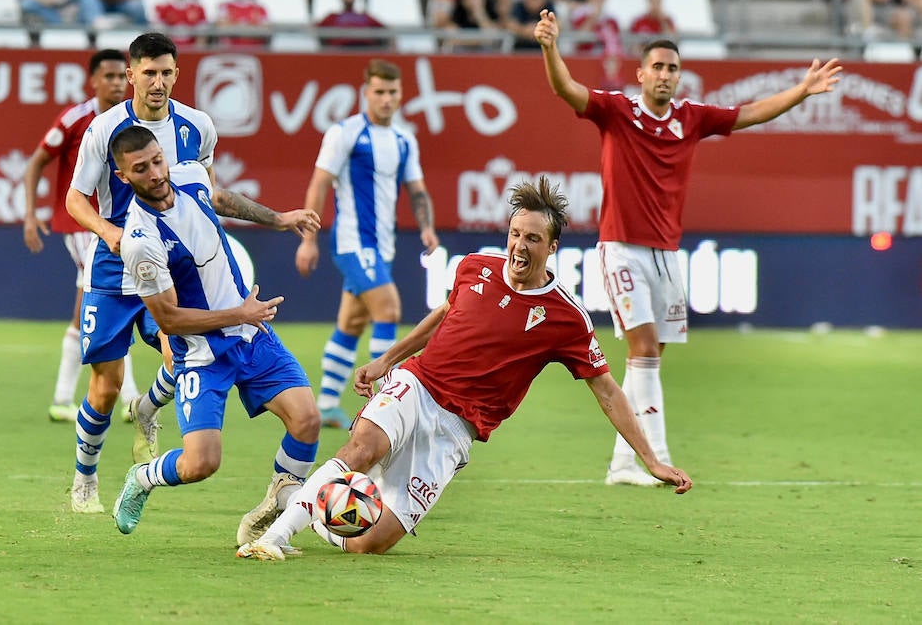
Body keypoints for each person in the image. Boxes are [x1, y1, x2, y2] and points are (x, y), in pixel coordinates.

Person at [237, 177, 693, 560]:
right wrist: (386, 360)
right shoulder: (476, 266)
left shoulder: (566, 317)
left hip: (456, 430)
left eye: (533, 239)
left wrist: (651, 459)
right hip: (417, 384)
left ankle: (300, 502)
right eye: (515, 234)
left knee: (369, 543)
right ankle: (275, 538)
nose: (519, 245)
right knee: (362, 447)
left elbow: (609, 391)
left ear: (551, 247)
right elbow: (444, 314)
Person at [534, 12, 842, 487]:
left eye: (671, 68)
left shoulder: (691, 118)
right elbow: (566, 90)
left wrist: (801, 90)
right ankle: (658, 461)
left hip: (666, 256)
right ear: (641, 74)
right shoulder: (617, 110)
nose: (664, 75)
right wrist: (550, 48)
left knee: (651, 353)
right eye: (656, 67)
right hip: (621, 249)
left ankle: (622, 463)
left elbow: (750, 114)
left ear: (679, 76)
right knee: (642, 349)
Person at [64, 32, 319, 514]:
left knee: (174, 345)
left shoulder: (196, 128)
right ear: (131, 74)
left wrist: (278, 217)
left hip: (175, 266)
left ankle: (149, 409)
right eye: (148, 73)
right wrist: (109, 233)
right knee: (106, 386)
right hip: (118, 265)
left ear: (176, 74)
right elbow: (75, 199)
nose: (157, 83)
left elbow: (213, 195)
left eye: (166, 73)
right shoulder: (104, 130)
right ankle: (85, 477)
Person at [109, 127, 321, 543]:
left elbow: (220, 198)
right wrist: (237, 312)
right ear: (123, 177)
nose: (155, 173)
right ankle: (144, 476)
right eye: (141, 169)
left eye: (156, 160)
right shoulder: (140, 242)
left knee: (308, 420)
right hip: (202, 355)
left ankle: (275, 502)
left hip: (250, 333)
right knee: (201, 463)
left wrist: (278, 218)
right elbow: (168, 319)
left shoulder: (188, 175)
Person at [295, 59, 438, 429]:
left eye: (392, 92)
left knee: (352, 321)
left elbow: (417, 191)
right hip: (353, 243)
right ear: (366, 93)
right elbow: (319, 184)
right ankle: (386, 403)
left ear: (401, 94)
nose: (386, 99)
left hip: (383, 248)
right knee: (388, 310)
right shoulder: (345, 133)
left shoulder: (405, 140)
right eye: (379, 92)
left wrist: (427, 227)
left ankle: (326, 404)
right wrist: (308, 240)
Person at [22, 49, 138, 423]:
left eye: (122, 76)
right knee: (117, 296)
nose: (117, 83)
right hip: (81, 224)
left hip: (117, 224)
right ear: (93, 80)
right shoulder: (76, 118)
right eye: (109, 77)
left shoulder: (131, 120)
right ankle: (131, 399)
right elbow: (36, 162)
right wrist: (29, 214)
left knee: (94, 306)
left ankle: (62, 399)